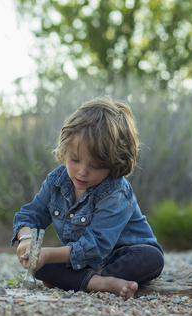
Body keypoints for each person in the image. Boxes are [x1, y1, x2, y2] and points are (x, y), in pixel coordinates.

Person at [11, 96, 164, 301]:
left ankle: (83, 280)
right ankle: (100, 283)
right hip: (83, 261)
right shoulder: (57, 181)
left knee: (151, 259)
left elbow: (96, 245)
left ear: (113, 163)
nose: (82, 172)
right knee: (40, 267)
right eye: (75, 160)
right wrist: (28, 239)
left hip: (121, 256)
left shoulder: (115, 191)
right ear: (65, 149)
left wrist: (48, 254)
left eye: (96, 165)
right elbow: (30, 215)